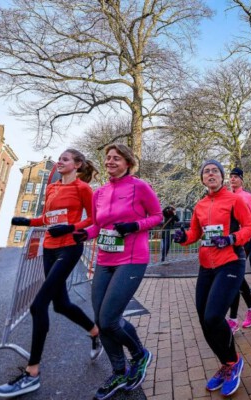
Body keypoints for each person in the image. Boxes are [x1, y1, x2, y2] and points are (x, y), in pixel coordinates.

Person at [0, 149, 102, 398]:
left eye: (65, 159)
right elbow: (47, 218)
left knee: (38, 305)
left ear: (77, 165)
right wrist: (27, 222)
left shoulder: (83, 188)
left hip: (70, 248)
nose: (59, 163)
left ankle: (32, 373)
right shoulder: (52, 188)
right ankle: (95, 332)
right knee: (61, 304)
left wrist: (71, 226)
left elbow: (94, 220)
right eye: (59, 159)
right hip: (50, 248)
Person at [72, 144, 163, 400]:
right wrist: (82, 234)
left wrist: (135, 224)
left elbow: (156, 216)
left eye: (116, 158)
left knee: (110, 318)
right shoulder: (99, 192)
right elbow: (98, 227)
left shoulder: (140, 186)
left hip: (132, 259)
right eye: (108, 158)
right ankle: (119, 371)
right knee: (101, 321)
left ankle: (140, 354)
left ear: (128, 162)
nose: (110, 161)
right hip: (104, 259)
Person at [172, 160, 251, 397]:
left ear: (221, 177)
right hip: (206, 266)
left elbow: (250, 227)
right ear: (202, 178)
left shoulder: (235, 200)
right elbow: (195, 234)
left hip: (230, 262)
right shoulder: (199, 205)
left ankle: (234, 360)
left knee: (214, 316)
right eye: (206, 171)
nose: (211, 174)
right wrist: (182, 237)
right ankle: (226, 364)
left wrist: (231, 239)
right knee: (203, 320)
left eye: (215, 171)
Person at [227, 167, 251, 332]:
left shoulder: (247, 196)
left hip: (244, 240)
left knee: (234, 278)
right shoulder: (226, 196)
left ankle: (233, 319)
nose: (232, 179)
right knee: (237, 278)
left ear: (241, 179)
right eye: (231, 177)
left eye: (235, 177)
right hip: (231, 241)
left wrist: (248, 225)